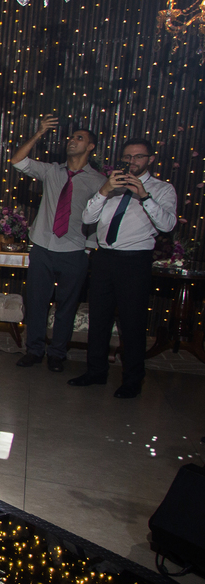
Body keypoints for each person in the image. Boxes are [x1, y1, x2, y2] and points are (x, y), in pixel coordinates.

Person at [70, 138, 178, 398]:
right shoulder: (111, 186)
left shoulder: (162, 189)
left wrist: (144, 195)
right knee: (99, 319)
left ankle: (132, 379)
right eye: (128, 157)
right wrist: (105, 190)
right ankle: (96, 372)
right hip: (104, 258)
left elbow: (167, 225)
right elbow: (87, 218)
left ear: (150, 159)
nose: (132, 162)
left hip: (135, 260)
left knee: (132, 322)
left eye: (138, 157)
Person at [10, 115, 106, 372]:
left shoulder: (98, 181)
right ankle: (34, 350)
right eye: (71, 137)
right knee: (37, 302)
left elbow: (100, 219)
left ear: (90, 147)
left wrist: (88, 248)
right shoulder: (52, 170)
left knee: (67, 306)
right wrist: (38, 133)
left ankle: (57, 353)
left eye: (79, 138)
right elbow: (17, 161)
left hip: (74, 250)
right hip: (42, 246)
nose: (72, 141)